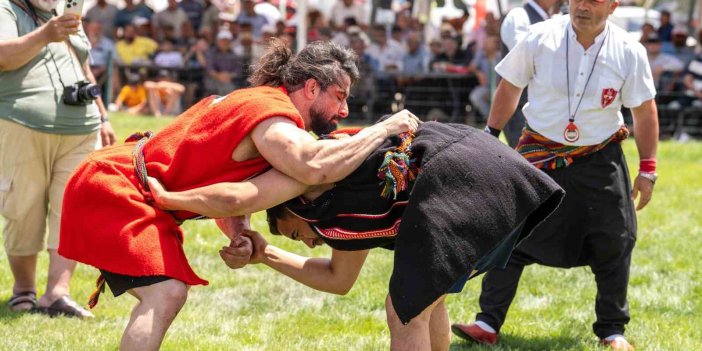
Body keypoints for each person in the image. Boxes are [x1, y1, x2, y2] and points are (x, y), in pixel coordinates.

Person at [58, 39, 419, 350]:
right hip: (120, 186)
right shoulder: (272, 114)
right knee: (165, 293)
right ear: (311, 88)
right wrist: (385, 128)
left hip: (120, 180)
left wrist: (238, 232)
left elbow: (224, 178)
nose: (344, 110)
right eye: (339, 96)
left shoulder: (260, 104)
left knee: (165, 293)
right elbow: (312, 165)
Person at [147, 121, 565, 351]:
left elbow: (237, 196)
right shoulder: (339, 215)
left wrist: (171, 198)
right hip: (493, 174)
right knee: (425, 298)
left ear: (292, 208)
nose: (311, 243)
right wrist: (265, 254)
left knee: (404, 307)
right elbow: (337, 279)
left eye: (296, 234)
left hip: (461, 175)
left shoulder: (304, 182)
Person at [451, 0, 659, 350]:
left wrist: (648, 169)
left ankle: (612, 330)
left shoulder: (629, 50)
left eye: (593, 1)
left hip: (599, 156)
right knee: (510, 235)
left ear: (612, 6)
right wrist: (489, 137)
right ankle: (486, 323)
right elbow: (510, 86)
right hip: (540, 151)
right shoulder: (538, 36)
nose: (581, 6)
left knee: (616, 239)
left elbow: (644, 109)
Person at [0, 0, 116, 318]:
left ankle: (56, 294)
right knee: (22, 208)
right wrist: (44, 35)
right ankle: (23, 290)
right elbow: (2, 56)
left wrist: (104, 117)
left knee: (70, 210)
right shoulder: (6, 10)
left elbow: (84, 65)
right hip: (21, 124)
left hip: (81, 128)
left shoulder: (64, 13)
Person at [500, 0, 561, 147]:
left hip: (546, 109)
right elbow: (524, 56)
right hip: (521, 108)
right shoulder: (519, 15)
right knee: (526, 165)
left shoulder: (553, 19)